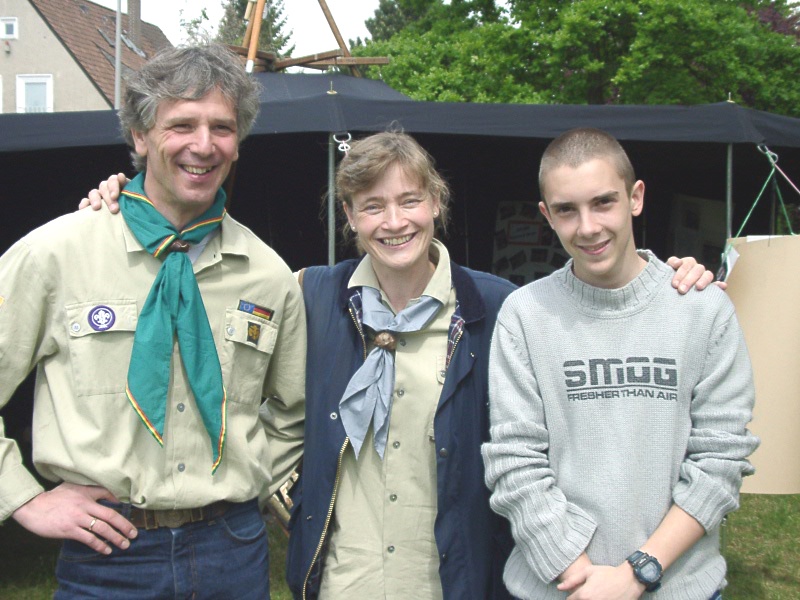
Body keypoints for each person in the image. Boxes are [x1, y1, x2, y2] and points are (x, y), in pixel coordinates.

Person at [83, 131, 715, 600]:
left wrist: (669, 278)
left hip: (454, 578)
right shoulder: (309, 296)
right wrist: (126, 201)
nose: (393, 222)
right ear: (349, 217)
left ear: (436, 203)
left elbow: (593, 316)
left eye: (409, 200)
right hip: (343, 579)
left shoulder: (500, 308)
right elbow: (216, 343)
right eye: (371, 206)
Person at [0, 44, 305, 599]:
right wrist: (23, 498)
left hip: (233, 552)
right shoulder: (55, 255)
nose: (203, 145)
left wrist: (260, 484)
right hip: (108, 555)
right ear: (140, 136)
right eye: (181, 125)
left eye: (222, 127)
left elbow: (294, 411)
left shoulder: (267, 275)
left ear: (238, 142)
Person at [482, 127, 759, 600]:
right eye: (567, 210)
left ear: (635, 197)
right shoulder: (525, 315)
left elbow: (720, 459)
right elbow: (515, 460)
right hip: (561, 587)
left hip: (679, 585)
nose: (588, 227)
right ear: (547, 215)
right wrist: (579, 575)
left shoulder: (701, 309)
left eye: (603, 202)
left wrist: (637, 573)